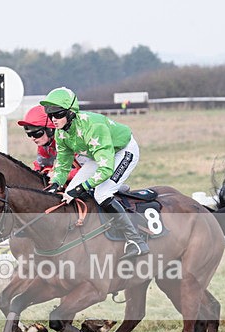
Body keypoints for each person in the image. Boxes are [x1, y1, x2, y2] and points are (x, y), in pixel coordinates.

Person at [40, 87, 149, 258]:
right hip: (97, 156)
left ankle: (136, 240)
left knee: (102, 193)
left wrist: (82, 188)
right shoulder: (61, 133)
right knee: (69, 192)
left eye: (58, 114)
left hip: (123, 151)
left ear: (70, 112)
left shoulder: (93, 127)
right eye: (50, 114)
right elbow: (62, 164)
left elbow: (105, 169)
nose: (53, 119)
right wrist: (55, 184)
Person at [16, 105, 79, 181]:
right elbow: (41, 166)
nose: (33, 138)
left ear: (50, 130)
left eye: (36, 134)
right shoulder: (44, 146)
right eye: (29, 134)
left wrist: (64, 175)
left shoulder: (72, 141)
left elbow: (88, 169)